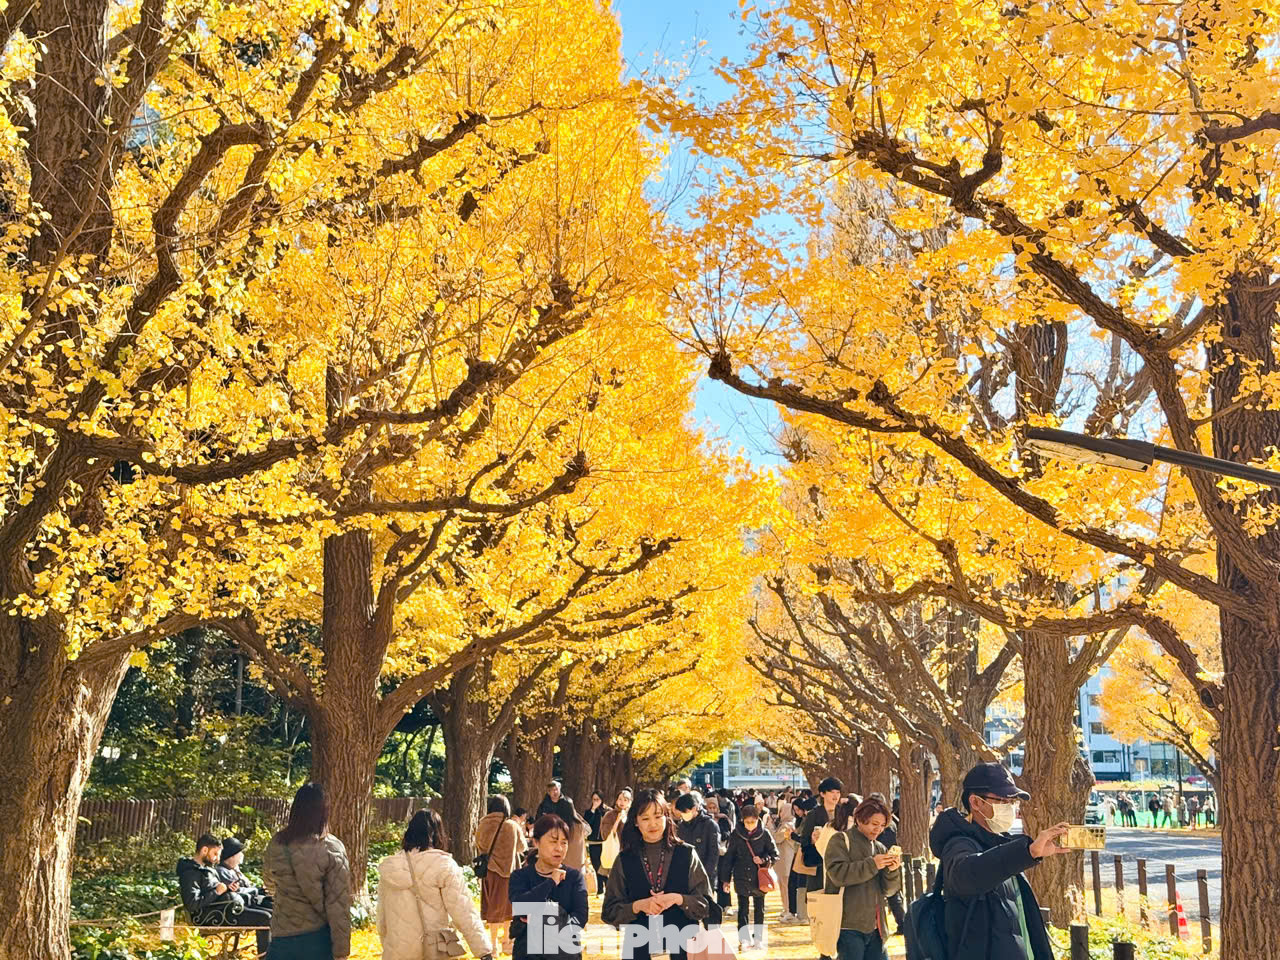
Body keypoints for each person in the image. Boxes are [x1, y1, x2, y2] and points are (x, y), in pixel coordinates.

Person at [929, 762, 1070, 960]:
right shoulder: (958, 843)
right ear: (976, 803)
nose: (1010, 807)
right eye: (1003, 800)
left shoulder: (999, 843)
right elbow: (967, 875)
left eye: (1013, 802)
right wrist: (1027, 852)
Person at [602, 788, 714, 960]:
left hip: (683, 948)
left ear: (667, 817)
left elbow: (706, 904)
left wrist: (678, 899)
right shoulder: (625, 859)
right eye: (645, 818)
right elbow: (610, 911)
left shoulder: (686, 853)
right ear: (636, 822)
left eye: (658, 816)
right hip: (639, 949)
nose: (652, 824)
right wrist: (637, 906)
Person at [377, 809, 494, 960]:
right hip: (435, 949)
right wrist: (483, 951)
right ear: (438, 833)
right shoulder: (443, 865)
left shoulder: (391, 867)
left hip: (398, 950)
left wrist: (389, 944)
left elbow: (382, 918)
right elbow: (464, 912)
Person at [262, 783, 352, 960]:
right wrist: (342, 951)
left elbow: (269, 881)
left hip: (282, 934)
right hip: (317, 938)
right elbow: (338, 904)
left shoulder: (277, 843)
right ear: (324, 811)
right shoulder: (331, 848)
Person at [822, 796, 902, 960]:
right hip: (846, 925)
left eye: (882, 826)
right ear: (859, 819)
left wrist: (892, 871)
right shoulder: (840, 841)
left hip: (876, 926)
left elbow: (889, 890)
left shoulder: (879, 847)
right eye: (874, 824)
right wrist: (872, 864)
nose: (878, 830)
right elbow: (838, 875)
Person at [509, 814, 590, 960]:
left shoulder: (574, 877)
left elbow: (580, 916)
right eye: (553, 842)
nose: (559, 848)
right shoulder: (520, 876)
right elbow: (521, 906)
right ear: (536, 842)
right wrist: (550, 882)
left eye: (564, 843)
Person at [179, 832, 269, 952]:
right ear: (204, 850)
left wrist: (227, 888)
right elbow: (192, 904)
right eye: (215, 854)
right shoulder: (190, 873)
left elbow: (211, 889)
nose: (217, 859)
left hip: (225, 909)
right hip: (213, 916)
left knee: (271, 911)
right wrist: (217, 891)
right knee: (265, 918)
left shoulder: (205, 868)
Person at [721, 803, 778, 951]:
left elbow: (774, 854)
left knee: (760, 909)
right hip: (741, 876)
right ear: (742, 820)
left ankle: (758, 939)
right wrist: (725, 879)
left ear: (758, 820)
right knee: (743, 909)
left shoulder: (764, 834)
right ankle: (744, 939)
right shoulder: (736, 834)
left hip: (759, 878)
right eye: (747, 822)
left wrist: (764, 859)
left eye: (753, 822)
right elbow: (729, 858)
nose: (750, 825)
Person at [476, 795, 528, 953]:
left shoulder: (483, 824)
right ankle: (506, 941)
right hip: (509, 873)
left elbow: (479, 845)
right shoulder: (511, 825)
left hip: (489, 872)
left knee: (492, 907)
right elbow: (522, 848)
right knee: (508, 909)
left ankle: (492, 945)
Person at [212, 837, 274, 955]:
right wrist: (257, 890)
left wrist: (258, 889)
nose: (241, 855)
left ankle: (272, 951)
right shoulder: (222, 871)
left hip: (244, 904)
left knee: (274, 909)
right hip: (234, 909)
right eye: (239, 853)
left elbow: (246, 887)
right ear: (231, 855)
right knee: (266, 916)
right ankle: (265, 955)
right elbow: (238, 890)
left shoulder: (234, 869)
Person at [675, 792, 721, 914]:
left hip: (705, 876)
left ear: (694, 809)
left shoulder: (710, 825)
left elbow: (713, 854)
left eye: (685, 812)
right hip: (685, 876)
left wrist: (705, 875)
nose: (683, 815)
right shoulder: (681, 827)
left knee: (706, 911)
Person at [869, 794, 904, 936]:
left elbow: (888, 842)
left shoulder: (888, 824)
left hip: (886, 859)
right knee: (893, 896)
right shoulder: (889, 822)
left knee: (893, 895)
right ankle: (902, 923)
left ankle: (902, 923)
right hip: (882, 859)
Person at [771, 799, 800, 923]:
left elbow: (776, 838)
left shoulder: (787, 825)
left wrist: (770, 827)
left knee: (786, 885)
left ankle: (789, 908)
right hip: (783, 860)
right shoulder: (786, 824)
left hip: (786, 860)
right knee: (783, 885)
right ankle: (786, 908)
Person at [705, 796, 735, 918]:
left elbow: (728, 834)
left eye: (714, 807)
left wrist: (718, 832)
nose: (712, 810)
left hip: (722, 854)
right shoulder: (704, 821)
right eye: (709, 807)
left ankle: (726, 904)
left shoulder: (724, 819)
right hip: (708, 854)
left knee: (724, 878)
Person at [598, 788, 633, 883]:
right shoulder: (610, 815)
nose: (622, 802)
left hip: (629, 851)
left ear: (630, 802)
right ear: (616, 800)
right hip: (615, 853)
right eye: (620, 799)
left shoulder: (632, 816)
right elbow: (607, 835)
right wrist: (618, 820)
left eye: (625, 800)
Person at [583, 790, 611, 895]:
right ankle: (601, 885)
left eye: (597, 799)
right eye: (594, 799)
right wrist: (592, 811)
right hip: (593, 841)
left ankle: (605, 884)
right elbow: (586, 824)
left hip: (604, 842)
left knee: (603, 865)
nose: (595, 801)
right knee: (595, 864)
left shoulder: (607, 811)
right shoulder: (589, 812)